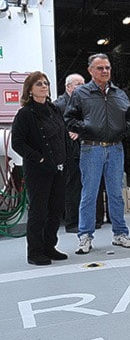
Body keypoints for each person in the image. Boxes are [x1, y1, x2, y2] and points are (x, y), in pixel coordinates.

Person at [65, 53, 130, 255]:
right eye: (100, 68)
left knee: (116, 193)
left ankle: (120, 233)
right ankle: (85, 236)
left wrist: (122, 133)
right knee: (89, 193)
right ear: (90, 70)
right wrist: (87, 128)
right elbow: (69, 118)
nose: (104, 71)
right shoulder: (80, 94)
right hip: (91, 148)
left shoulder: (119, 94)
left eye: (107, 67)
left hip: (115, 148)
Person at [11, 72, 68, 265]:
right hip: (38, 171)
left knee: (56, 210)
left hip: (58, 168)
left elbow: (63, 136)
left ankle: (49, 247)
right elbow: (17, 143)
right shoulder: (25, 114)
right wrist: (39, 158)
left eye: (46, 83)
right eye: (38, 84)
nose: (44, 86)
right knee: (39, 211)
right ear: (30, 89)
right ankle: (34, 252)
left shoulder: (54, 109)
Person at [54, 73, 84, 233]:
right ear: (68, 87)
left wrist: (80, 131)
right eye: (78, 84)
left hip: (83, 150)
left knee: (82, 186)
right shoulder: (59, 105)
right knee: (72, 186)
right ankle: (72, 222)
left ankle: (85, 220)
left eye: (83, 84)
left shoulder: (83, 102)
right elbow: (57, 128)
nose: (82, 87)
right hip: (68, 152)